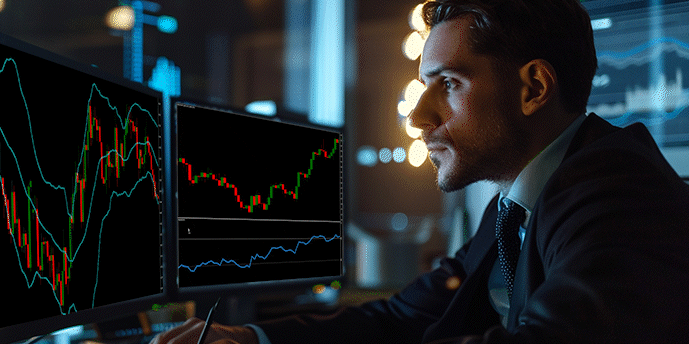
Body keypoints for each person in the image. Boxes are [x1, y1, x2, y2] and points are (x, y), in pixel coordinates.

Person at [152, 0, 689, 342]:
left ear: (533, 89)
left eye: (449, 84)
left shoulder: (618, 193)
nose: (416, 116)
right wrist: (249, 339)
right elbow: (406, 316)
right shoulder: (521, 200)